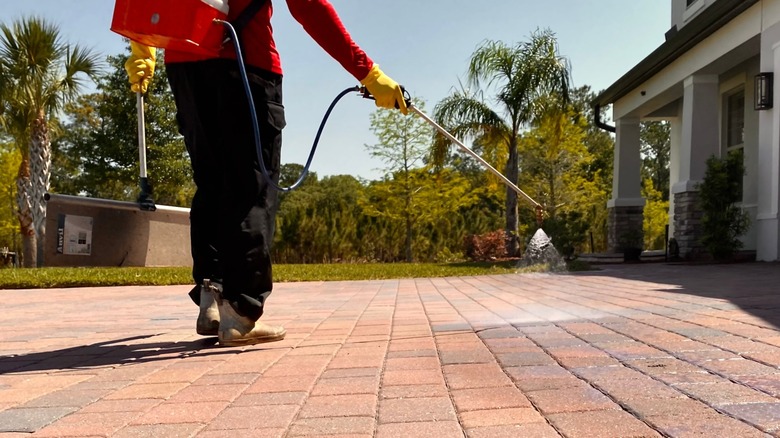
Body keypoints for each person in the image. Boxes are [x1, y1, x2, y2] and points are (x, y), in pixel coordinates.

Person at [124, 0, 407, 347]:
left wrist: (143, 49)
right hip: (246, 65)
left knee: (211, 183)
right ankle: (241, 313)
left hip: (185, 68)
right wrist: (368, 72)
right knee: (251, 189)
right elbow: (309, 6)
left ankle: (211, 298)